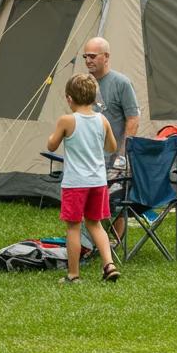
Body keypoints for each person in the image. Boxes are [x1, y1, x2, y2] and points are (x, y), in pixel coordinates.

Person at [47, 73, 121, 283]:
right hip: (98, 182)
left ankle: (73, 274)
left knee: (73, 227)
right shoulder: (102, 120)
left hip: (75, 183)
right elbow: (112, 147)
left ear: (69, 98)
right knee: (95, 224)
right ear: (93, 97)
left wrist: (54, 136)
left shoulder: (67, 120)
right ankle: (109, 265)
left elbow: (51, 145)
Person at [82, 36, 140, 243]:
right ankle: (91, 242)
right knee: (88, 199)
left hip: (116, 156)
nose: (88, 60)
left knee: (115, 202)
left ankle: (115, 242)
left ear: (106, 57)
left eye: (92, 56)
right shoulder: (85, 83)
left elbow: (133, 118)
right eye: (85, 56)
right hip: (91, 154)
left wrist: (123, 155)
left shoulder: (121, 83)